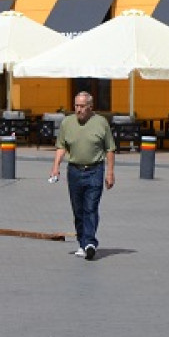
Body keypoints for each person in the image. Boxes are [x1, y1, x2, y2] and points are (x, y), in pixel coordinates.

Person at [50, 91, 115, 261]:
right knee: (78, 209)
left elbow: (110, 149)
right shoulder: (67, 123)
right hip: (74, 171)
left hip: (95, 170)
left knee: (91, 207)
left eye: (82, 106)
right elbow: (61, 146)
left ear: (90, 107)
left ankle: (90, 243)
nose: (78, 109)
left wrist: (110, 173)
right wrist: (55, 167)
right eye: (76, 106)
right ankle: (82, 242)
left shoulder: (101, 123)